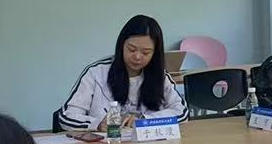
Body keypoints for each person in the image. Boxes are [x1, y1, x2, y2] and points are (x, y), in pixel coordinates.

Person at [58, 14, 186, 131]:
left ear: (154, 53)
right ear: (121, 45)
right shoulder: (96, 73)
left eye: (145, 52)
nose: (137, 57)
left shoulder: (160, 77)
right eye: (131, 49)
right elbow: (67, 117)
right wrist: (97, 124)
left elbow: (182, 113)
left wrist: (145, 120)